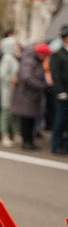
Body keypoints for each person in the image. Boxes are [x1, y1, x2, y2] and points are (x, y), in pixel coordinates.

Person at [10, 43, 51, 151]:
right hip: (26, 95)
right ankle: (26, 142)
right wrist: (42, 85)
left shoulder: (35, 60)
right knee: (26, 120)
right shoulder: (29, 61)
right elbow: (26, 77)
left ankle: (29, 141)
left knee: (30, 119)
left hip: (31, 95)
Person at [0, 37, 21, 147]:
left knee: (13, 113)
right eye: (15, 45)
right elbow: (2, 74)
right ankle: (5, 135)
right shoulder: (7, 58)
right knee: (6, 113)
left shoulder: (13, 57)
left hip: (13, 91)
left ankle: (15, 133)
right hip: (7, 90)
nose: (17, 47)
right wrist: (11, 79)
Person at [50, 26, 68, 154]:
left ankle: (65, 144)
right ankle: (56, 145)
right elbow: (56, 74)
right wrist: (60, 91)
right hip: (62, 93)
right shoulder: (58, 54)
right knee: (60, 119)